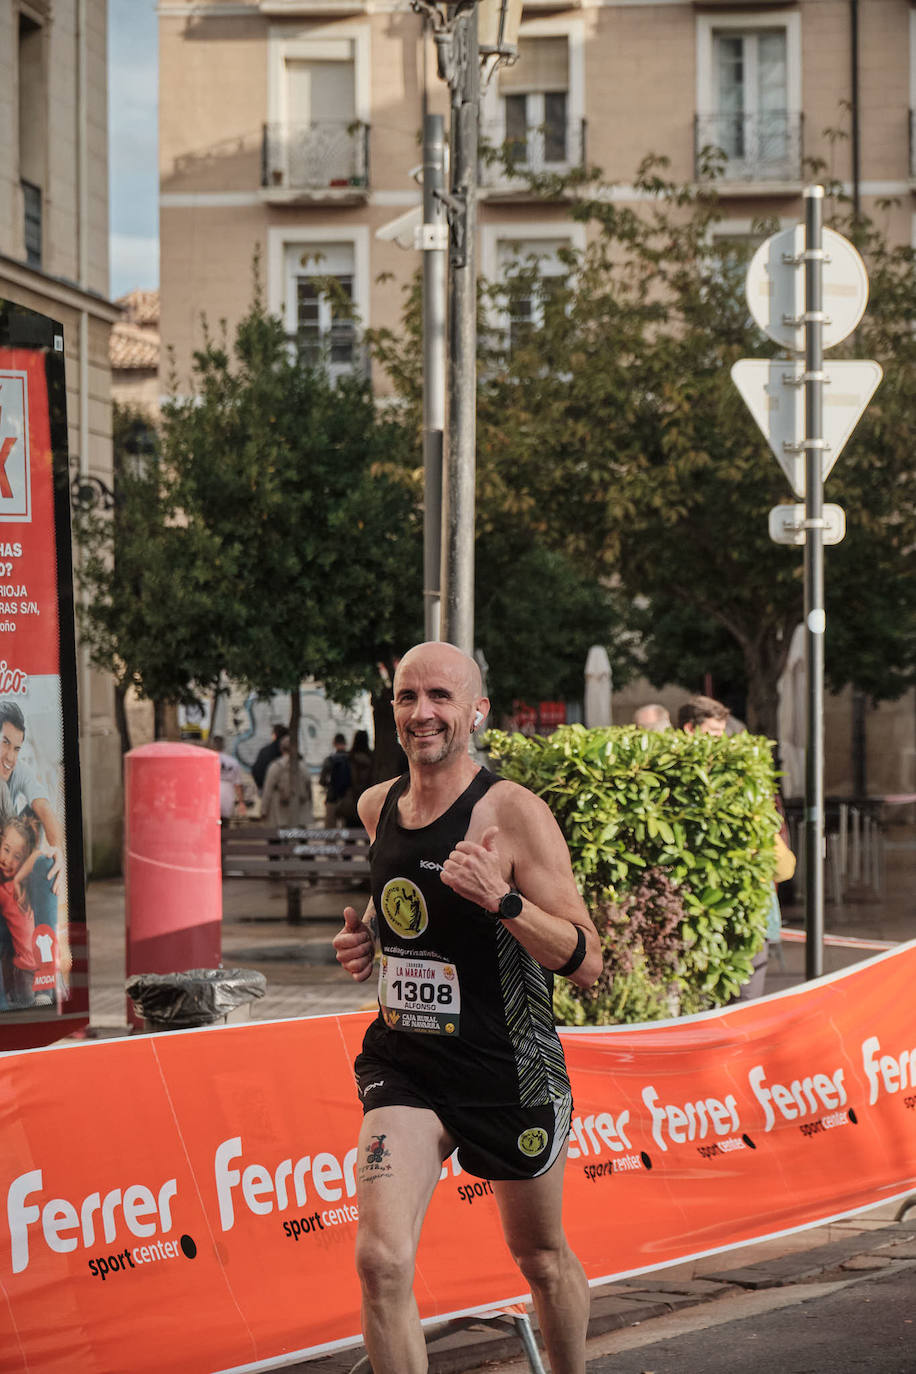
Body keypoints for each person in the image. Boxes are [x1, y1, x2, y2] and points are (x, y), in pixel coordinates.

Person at [333, 640, 602, 1374]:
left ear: (477, 711)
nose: (422, 713)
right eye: (408, 697)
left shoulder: (513, 813)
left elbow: (588, 959)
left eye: (441, 697)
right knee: (381, 1262)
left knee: (541, 1258)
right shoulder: (376, 805)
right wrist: (368, 943)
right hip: (409, 1064)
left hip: (507, 1067)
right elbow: (403, 901)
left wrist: (504, 900)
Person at [678, 693, 770, 1000]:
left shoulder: (734, 774)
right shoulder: (679, 772)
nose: (720, 742)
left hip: (733, 905)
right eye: (713, 734)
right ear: (691, 729)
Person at [260, 735, 313, 828]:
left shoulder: (276, 766)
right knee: (299, 839)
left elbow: (268, 790)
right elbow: (309, 790)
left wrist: (263, 811)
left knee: (277, 839)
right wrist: (310, 810)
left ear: (281, 749)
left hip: (279, 814)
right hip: (299, 814)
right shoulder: (303, 766)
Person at [337, 729, 373, 828]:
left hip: (351, 799)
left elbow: (343, 780)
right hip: (368, 799)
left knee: (350, 833)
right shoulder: (372, 758)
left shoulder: (349, 758)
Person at [209, 735, 246, 825]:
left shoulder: (207, 760)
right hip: (227, 793)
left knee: (211, 823)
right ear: (223, 746)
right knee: (225, 823)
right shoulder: (233, 762)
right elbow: (238, 784)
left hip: (211, 792)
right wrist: (241, 802)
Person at [320, 732, 352, 828]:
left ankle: (330, 843)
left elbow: (322, 780)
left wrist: (328, 785)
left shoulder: (329, 760)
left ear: (334, 743)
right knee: (347, 828)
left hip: (332, 796)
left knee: (330, 829)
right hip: (347, 797)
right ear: (345, 743)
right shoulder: (350, 759)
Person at [251, 723, 288, 794]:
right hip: (281, 791)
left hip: (264, 789)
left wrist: (261, 786)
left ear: (274, 735)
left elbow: (255, 770)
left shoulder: (264, 750)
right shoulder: (286, 752)